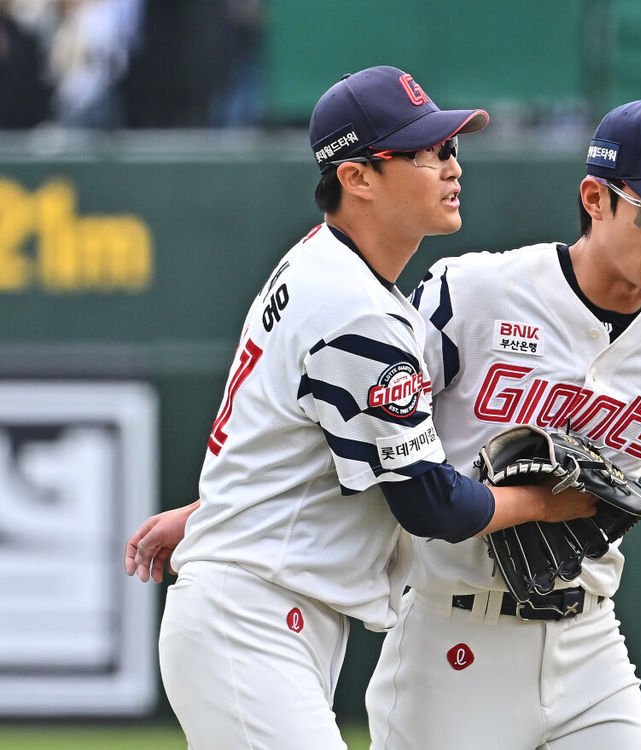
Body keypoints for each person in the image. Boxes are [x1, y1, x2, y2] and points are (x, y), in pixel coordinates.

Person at [129, 95, 641, 748]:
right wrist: (208, 513)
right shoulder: (471, 293)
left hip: (590, 642)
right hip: (452, 635)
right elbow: (373, 434)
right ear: (595, 198)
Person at [125, 65, 595, 750]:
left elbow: (326, 446)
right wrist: (549, 501)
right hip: (250, 618)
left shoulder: (327, 271)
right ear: (358, 177)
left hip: (265, 614)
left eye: (452, 149)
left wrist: (212, 512)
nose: (452, 167)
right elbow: (430, 504)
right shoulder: (356, 310)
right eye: (427, 152)